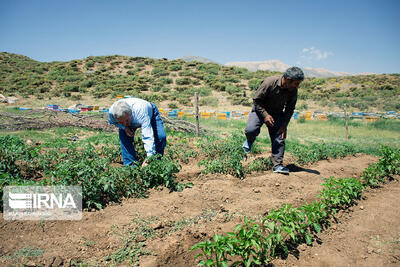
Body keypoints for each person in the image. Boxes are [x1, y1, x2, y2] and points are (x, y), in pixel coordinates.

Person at [242, 67, 304, 174]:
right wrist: (265, 115)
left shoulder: (293, 90)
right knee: (251, 130)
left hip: (277, 113)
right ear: (288, 80)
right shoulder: (269, 82)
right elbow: (256, 100)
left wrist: (284, 125)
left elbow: (290, 108)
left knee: (279, 137)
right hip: (260, 110)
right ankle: (249, 140)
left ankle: (278, 165)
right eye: (296, 83)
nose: (297, 86)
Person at [108, 97, 166, 167]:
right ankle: (131, 167)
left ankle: (155, 163)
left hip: (151, 113)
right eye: (121, 121)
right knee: (124, 138)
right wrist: (124, 127)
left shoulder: (141, 112)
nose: (124, 123)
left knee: (160, 136)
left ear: (131, 113)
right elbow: (112, 122)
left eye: (126, 120)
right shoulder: (112, 113)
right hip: (131, 118)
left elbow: (147, 136)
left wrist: (150, 157)